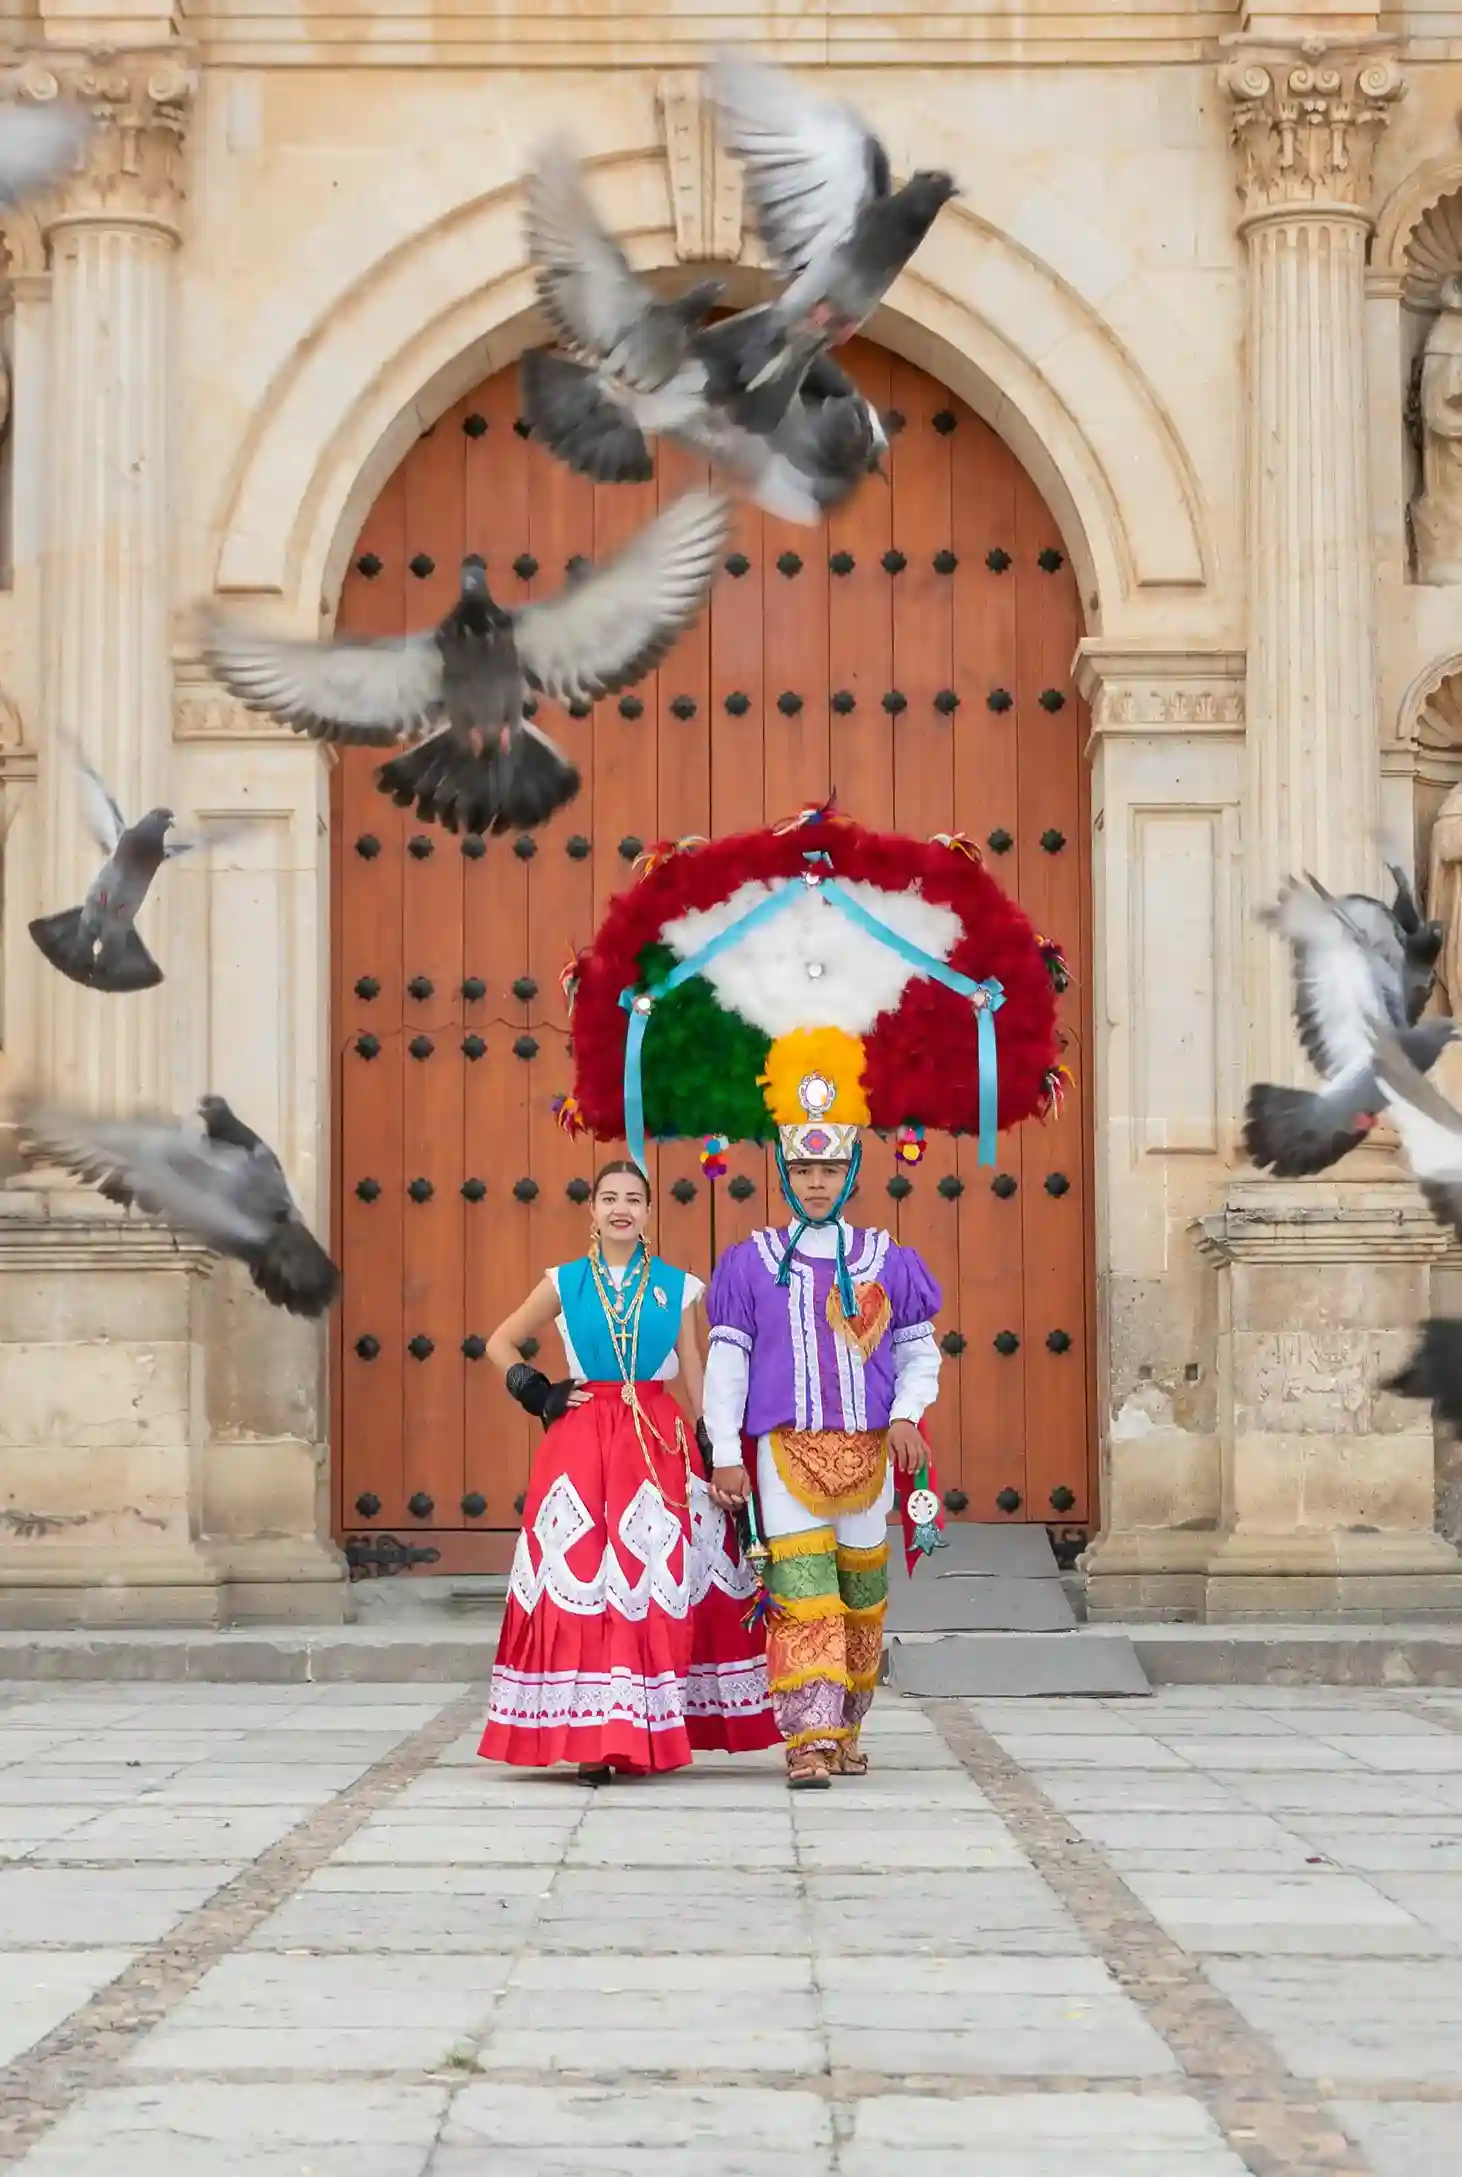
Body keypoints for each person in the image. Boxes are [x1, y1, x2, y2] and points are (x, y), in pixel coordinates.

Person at [477, 1159, 779, 1779]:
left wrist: (715, 1452)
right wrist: (536, 1392)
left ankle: (641, 1731)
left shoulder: (679, 1286)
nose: (621, 1208)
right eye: (609, 1197)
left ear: (648, 1211)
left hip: (657, 1440)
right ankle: (590, 1737)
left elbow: (693, 1369)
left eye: (633, 1198)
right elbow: (499, 1340)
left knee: (649, 1577)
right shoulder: (562, 1282)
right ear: (590, 1209)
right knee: (585, 1575)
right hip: (582, 1438)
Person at [701, 1089, 942, 1789]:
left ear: (851, 1172)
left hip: (868, 1454)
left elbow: (919, 1351)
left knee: (863, 1598)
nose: (816, 1183)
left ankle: (847, 1728)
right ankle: (807, 1738)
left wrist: (906, 1412)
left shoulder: (889, 1259)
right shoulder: (751, 1262)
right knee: (802, 1595)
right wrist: (723, 1451)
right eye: (804, 1171)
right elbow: (728, 1361)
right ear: (784, 1173)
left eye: (830, 1170)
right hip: (785, 1456)